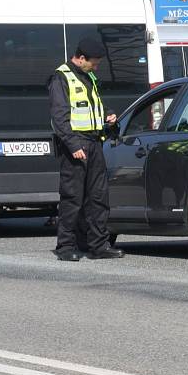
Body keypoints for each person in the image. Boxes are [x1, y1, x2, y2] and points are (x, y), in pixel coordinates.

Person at [48, 36, 123, 261]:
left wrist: (108, 117)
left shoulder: (88, 76)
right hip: (76, 146)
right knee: (72, 199)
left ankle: (99, 246)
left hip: (94, 142)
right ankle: (65, 247)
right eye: (94, 62)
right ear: (81, 58)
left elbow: (93, 106)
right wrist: (72, 145)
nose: (96, 66)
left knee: (99, 197)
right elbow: (59, 118)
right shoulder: (61, 78)